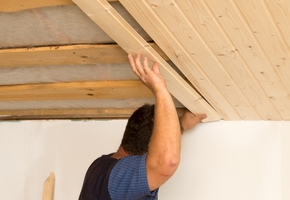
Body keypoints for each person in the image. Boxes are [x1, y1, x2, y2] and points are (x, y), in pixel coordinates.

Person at [78, 54, 207, 200]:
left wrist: (181, 126)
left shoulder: (99, 165)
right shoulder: (120, 178)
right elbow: (166, 161)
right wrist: (160, 90)